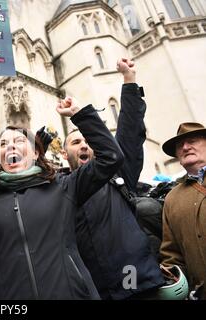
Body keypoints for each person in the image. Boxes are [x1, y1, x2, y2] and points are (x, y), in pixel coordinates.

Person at [0, 97, 125, 299]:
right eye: (3, 144)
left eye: (19, 141)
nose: (10, 147)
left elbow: (111, 157)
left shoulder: (63, 186)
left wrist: (81, 115)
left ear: (35, 153)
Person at [60, 59, 164, 300]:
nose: (84, 144)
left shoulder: (118, 174)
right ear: (64, 154)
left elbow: (131, 129)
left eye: (87, 140)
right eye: (76, 142)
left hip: (137, 287)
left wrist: (130, 81)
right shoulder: (60, 189)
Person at [160, 122, 206, 300]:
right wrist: (173, 277)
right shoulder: (172, 198)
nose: (186, 147)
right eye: (180, 145)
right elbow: (171, 254)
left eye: (192, 141)